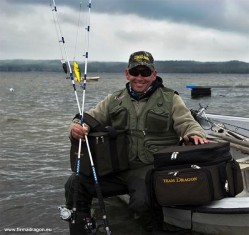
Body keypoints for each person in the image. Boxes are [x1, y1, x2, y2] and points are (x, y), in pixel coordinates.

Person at [65, 51, 208, 234]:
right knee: (75, 184)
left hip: (150, 169)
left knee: (141, 203)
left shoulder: (171, 98)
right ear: (127, 73)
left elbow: (187, 123)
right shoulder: (114, 99)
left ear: (153, 74)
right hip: (117, 169)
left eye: (145, 73)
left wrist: (195, 133)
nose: (139, 78)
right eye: (135, 72)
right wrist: (76, 128)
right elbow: (88, 118)